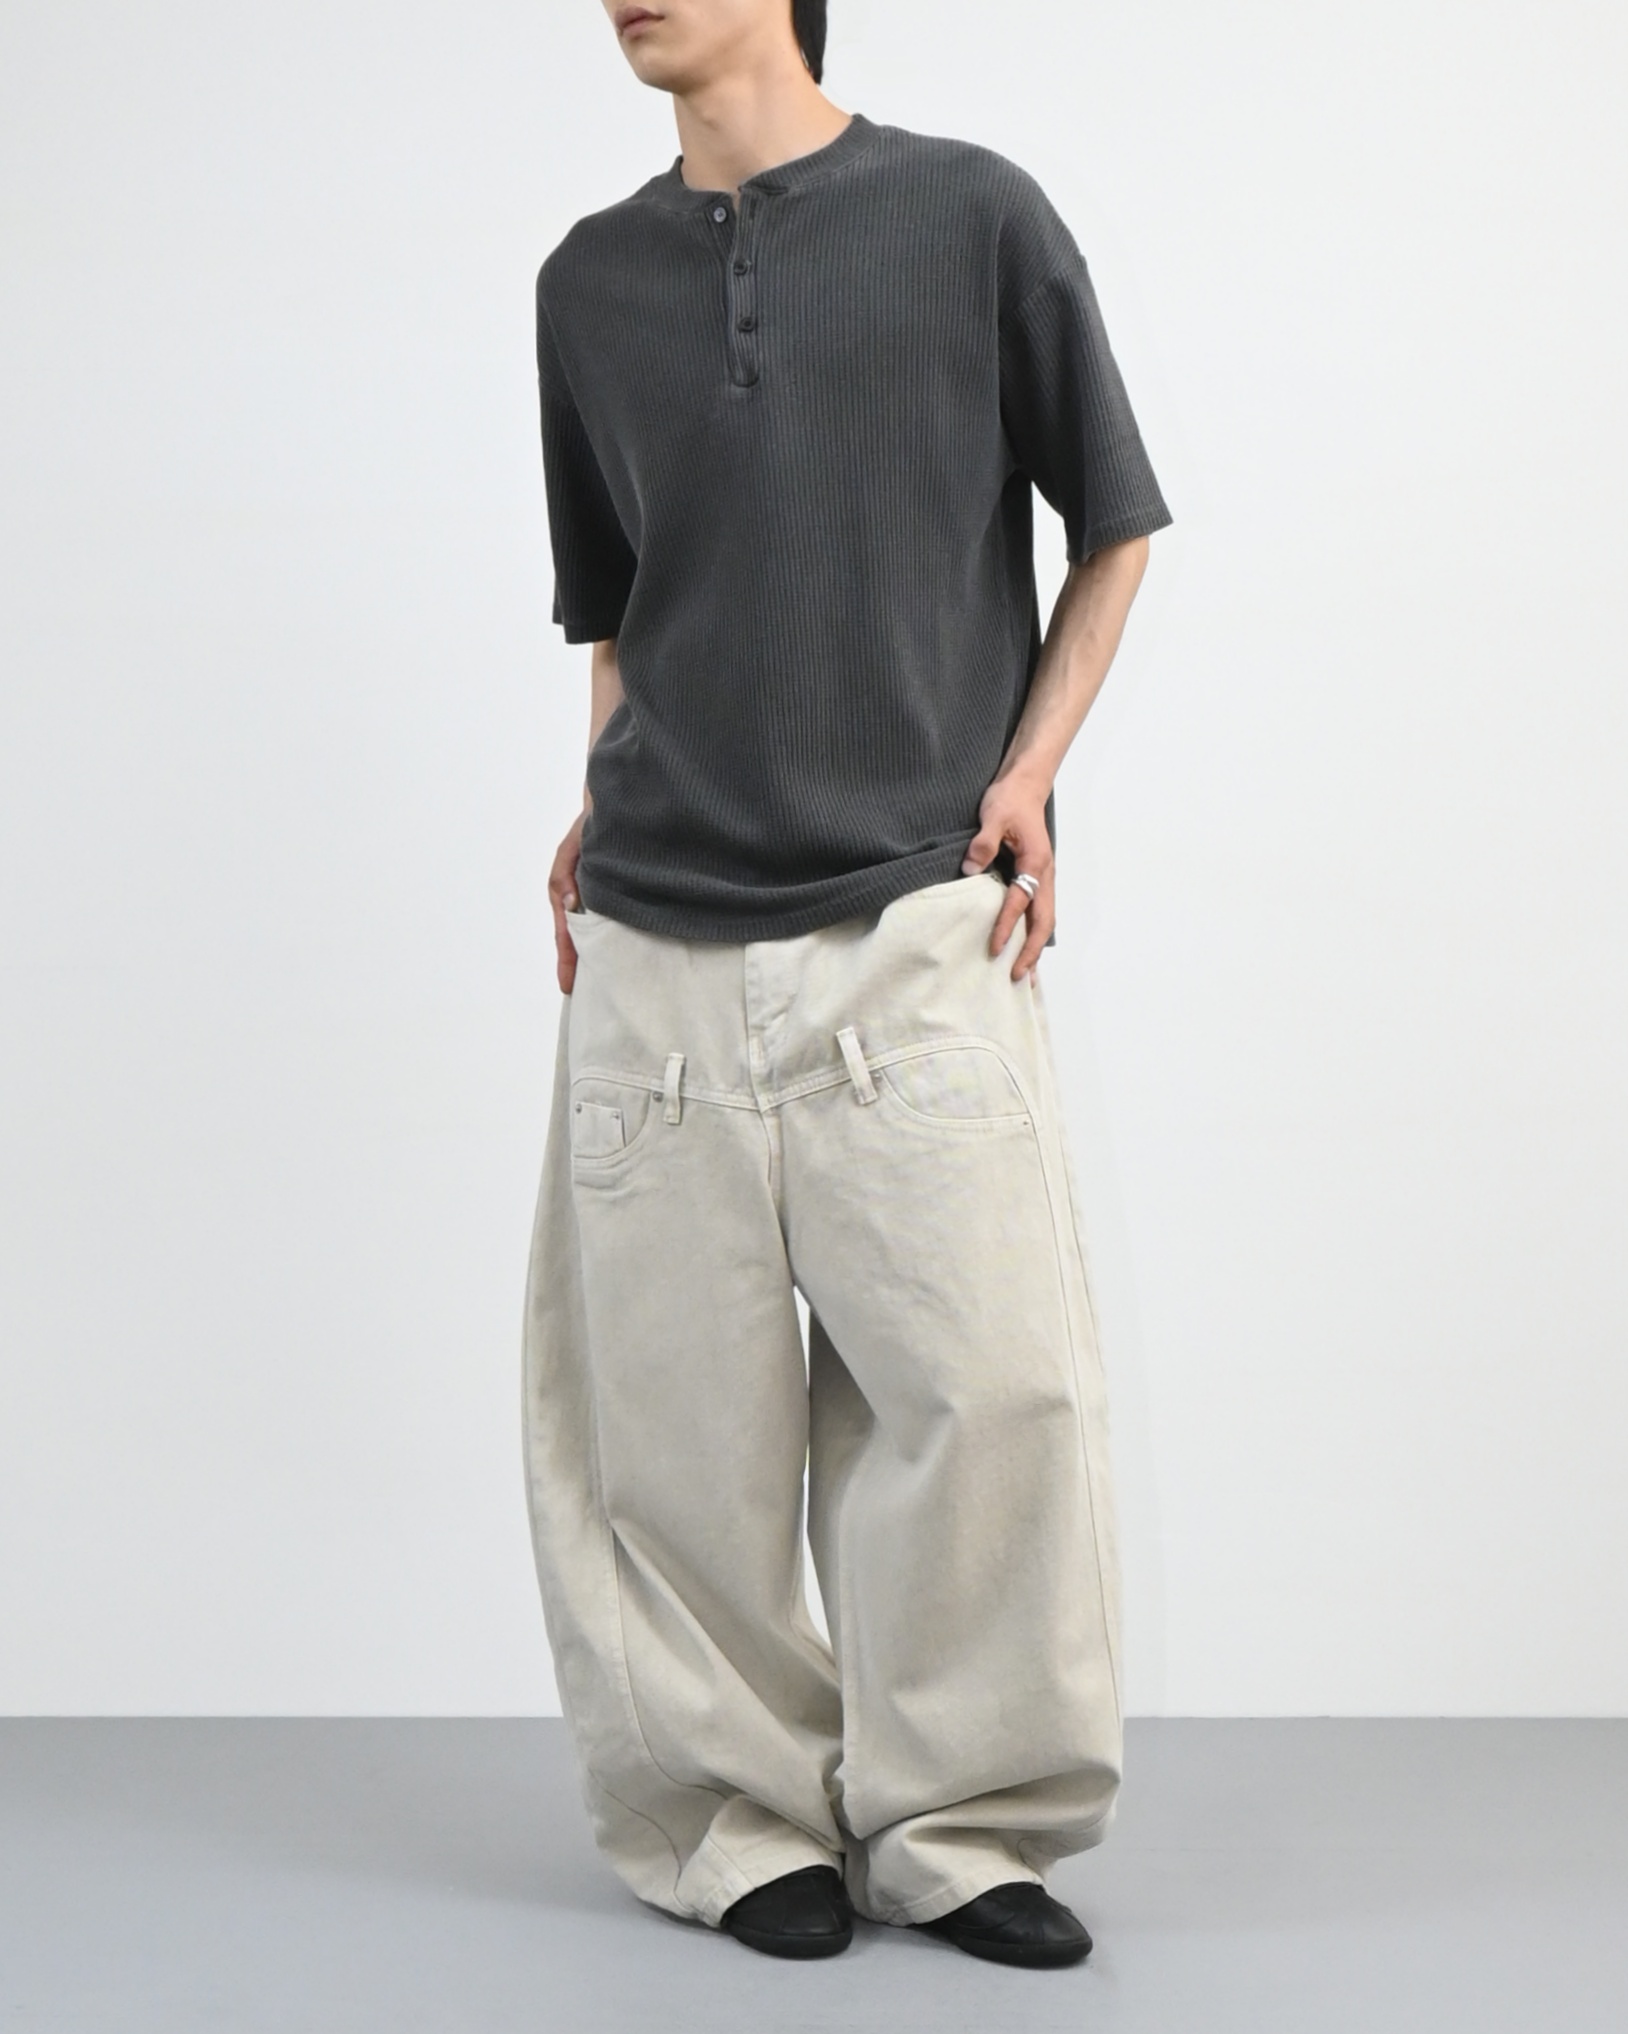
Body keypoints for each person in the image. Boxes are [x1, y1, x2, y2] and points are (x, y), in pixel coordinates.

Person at [520, 0, 1172, 1970]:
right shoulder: (586, 285)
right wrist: (600, 791)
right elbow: (618, 612)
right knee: (669, 1436)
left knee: (992, 1392)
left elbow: (1115, 525)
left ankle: (961, 1826)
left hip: (909, 916)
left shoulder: (973, 218)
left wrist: (1028, 771)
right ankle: (730, 1823)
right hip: (652, 942)